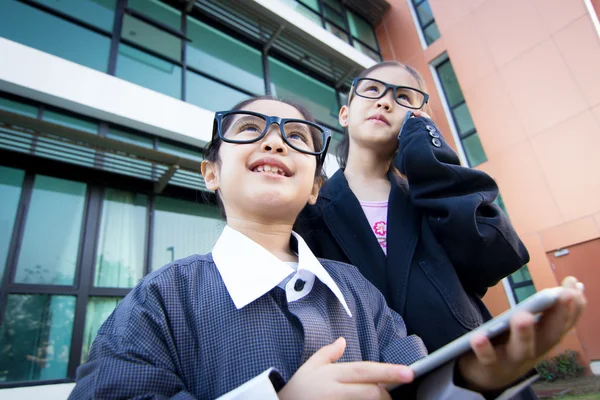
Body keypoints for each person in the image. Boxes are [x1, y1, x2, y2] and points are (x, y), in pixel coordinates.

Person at [68, 96, 585, 400]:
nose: (274, 143)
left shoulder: (358, 290)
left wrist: (473, 379)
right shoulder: (160, 299)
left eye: (296, 136)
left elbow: (414, 382)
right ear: (211, 173)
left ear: (315, 187)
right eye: (250, 130)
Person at [295, 61, 530, 353]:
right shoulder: (310, 210)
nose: (384, 101)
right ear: (345, 114)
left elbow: (494, 255)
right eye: (372, 90)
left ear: (418, 118)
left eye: (403, 97)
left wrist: (426, 153)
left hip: (473, 372)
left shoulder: (433, 198)